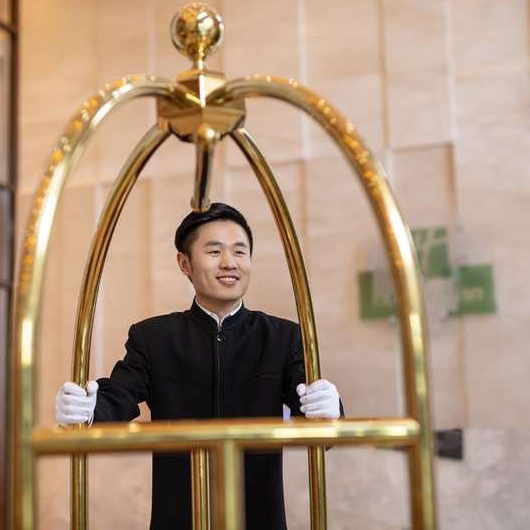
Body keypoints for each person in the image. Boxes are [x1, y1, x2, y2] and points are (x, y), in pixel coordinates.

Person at [55, 202, 342, 529]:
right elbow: (117, 397)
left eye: (240, 251)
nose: (229, 262)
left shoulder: (282, 337)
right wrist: (86, 410)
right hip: (178, 518)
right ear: (184, 263)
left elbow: (314, 417)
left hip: (259, 518)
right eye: (214, 251)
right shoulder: (154, 337)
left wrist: (330, 410)